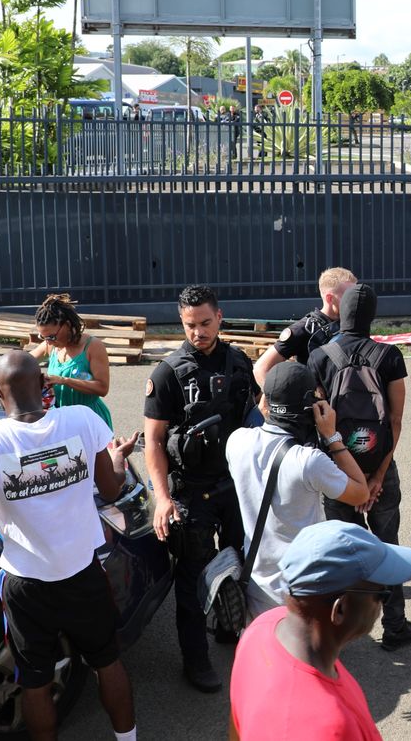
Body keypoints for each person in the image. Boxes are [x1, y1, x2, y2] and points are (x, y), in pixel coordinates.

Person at [0, 351, 140, 741]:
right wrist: (119, 463)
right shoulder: (82, 421)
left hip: (26, 584)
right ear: (44, 386)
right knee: (107, 663)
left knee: (36, 681)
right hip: (83, 571)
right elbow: (110, 490)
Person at [143, 285, 259, 692]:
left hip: (233, 488)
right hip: (190, 492)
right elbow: (154, 442)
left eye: (206, 323)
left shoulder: (240, 363)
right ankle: (196, 661)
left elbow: (253, 422)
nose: (199, 332)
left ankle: (231, 629)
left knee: (239, 565)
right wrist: (162, 498)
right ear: (182, 322)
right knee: (192, 578)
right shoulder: (168, 374)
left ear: (220, 317)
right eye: (191, 325)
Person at [307, 283, 411, 651]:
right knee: (387, 547)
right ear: (372, 315)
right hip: (380, 466)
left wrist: (352, 477)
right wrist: (376, 476)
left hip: (336, 472)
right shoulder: (389, 356)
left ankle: (338, 632)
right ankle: (395, 626)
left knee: (344, 551)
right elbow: (394, 422)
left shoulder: (319, 356)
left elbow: (319, 420)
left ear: (341, 312)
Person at [229, 520, 411, 741]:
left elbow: (237, 725)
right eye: (381, 594)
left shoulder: (262, 628)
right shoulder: (329, 729)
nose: (381, 605)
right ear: (340, 609)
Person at [227, 362, 372, 617]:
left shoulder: (236, 441)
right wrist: (331, 436)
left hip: (255, 587)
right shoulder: (308, 461)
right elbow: (361, 493)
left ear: (266, 403)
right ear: (310, 408)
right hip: (300, 590)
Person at [253, 267, 357, 390]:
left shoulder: (351, 324)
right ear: (330, 298)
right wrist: (277, 400)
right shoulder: (303, 329)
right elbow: (261, 368)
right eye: (348, 296)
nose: (354, 301)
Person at [28, 293, 113, 429]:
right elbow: (24, 362)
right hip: (61, 421)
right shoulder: (50, 345)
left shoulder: (93, 346)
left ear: (67, 325)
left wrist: (64, 380)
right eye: (43, 337)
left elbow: (102, 388)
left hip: (90, 420)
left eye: (52, 336)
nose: (48, 341)